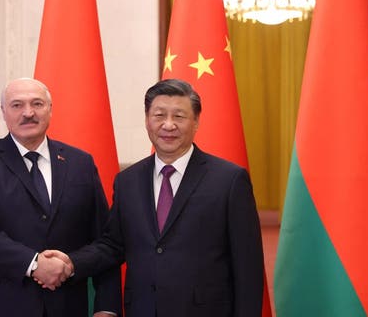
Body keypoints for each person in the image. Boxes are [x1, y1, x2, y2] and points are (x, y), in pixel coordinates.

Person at [43, 78, 264, 316]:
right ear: (147, 121)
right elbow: (113, 246)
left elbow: (248, 267)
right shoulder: (128, 181)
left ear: (196, 121)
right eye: (159, 115)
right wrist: (71, 262)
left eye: (179, 116)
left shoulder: (229, 180)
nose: (168, 125)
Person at [0, 78, 122, 317]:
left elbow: (105, 240)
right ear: (4, 112)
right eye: (17, 105)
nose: (28, 113)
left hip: (66, 307)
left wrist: (106, 306)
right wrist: (34, 264)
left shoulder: (80, 163)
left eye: (37, 104)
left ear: (50, 110)